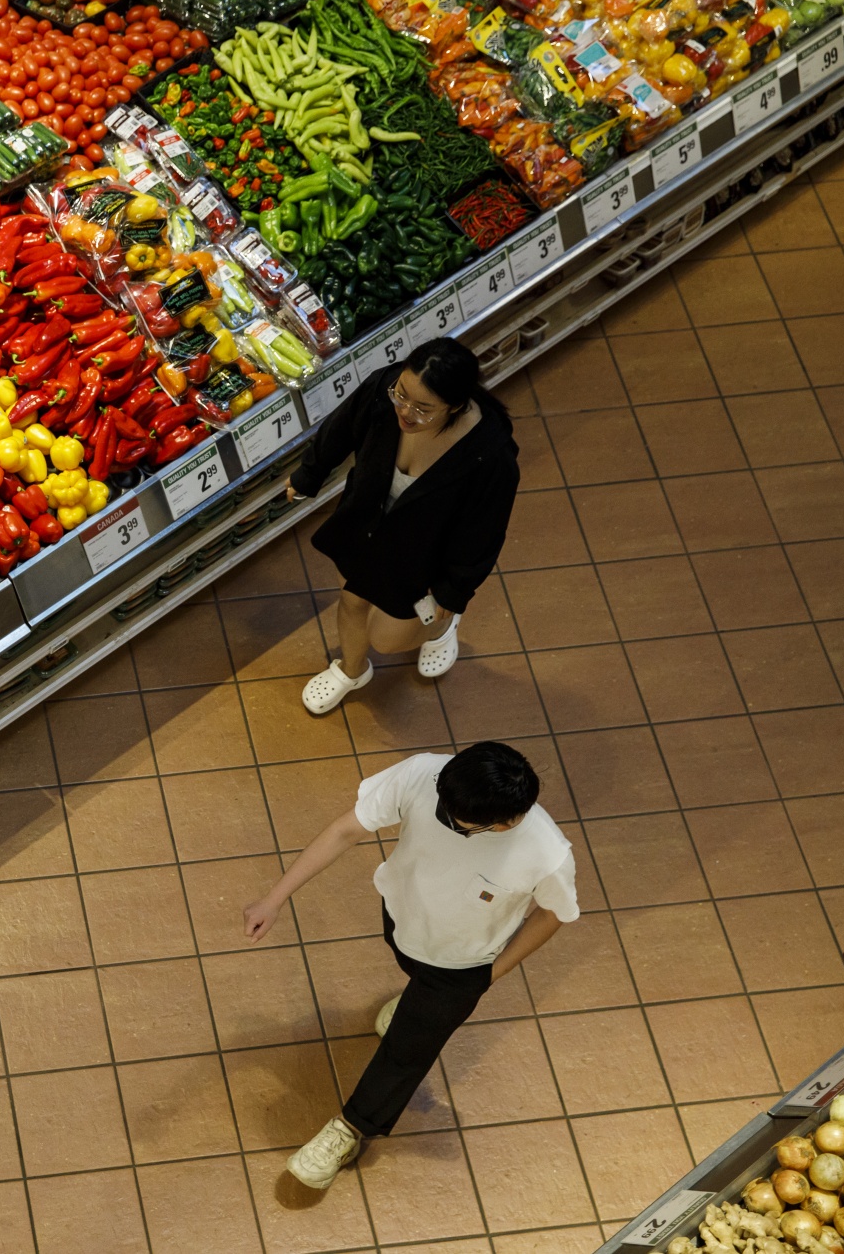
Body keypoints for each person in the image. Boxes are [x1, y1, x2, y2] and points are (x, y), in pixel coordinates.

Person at [241, 743, 577, 1189]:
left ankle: (351, 1128)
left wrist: (485, 978)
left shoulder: (546, 853)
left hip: (462, 965)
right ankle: (413, 998)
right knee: (411, 980)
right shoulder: (424, 773)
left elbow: (553, 915)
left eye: (460, 826)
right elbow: (346, 830)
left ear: (506, 822)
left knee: (404, 1053)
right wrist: (275, 897)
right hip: (402, 920)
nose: (446, 821)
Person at [284, 339, 520, 714]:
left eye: (423, 409)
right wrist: (309, 474)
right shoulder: (385, 389)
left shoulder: (489, 457)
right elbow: (343, 426)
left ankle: (443, 628)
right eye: (402, 396)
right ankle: (351, 670)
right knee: (352, 599)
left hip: (427, 552)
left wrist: (452, 590)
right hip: (370, 525)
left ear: (455, 406)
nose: (406, 412)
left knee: (388, 638)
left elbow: (484, 530)